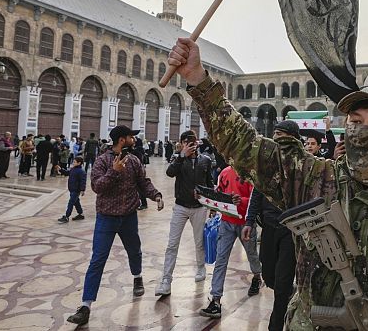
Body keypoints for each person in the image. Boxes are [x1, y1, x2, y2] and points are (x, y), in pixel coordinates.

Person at [169, 37, 368, 329]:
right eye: (356, 122)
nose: (364, 132)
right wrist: (199, 80)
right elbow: (244, 146)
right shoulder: (314, 179)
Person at [66, 125, 164, 326]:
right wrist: (114, 171)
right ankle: (86, 306)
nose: (134, 140)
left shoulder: (134, 160)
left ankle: (137, 276)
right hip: (107, 218)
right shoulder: (103, 161)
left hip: (128, 216)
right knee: (98, 259)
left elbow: (143, 182)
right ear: (121, 139)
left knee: (134, 250)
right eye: (130, 137)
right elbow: (97, 187)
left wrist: (156, 195)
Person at [155, 130, 214, 296]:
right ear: (181, 143)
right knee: (172, 243)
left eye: (193, 142)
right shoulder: (177, 159)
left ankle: (201, 268)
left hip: (199, 207)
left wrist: (210, 204)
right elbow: (169, 173)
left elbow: (210, 184)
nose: (191, 145)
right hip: (180, 207)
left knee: (199, 241)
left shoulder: (206, 160)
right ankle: (166, 280)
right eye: (187, 142)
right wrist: (182, 155)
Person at [199, 165, 262, 318]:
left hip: (245, 222)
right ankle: (216, 300)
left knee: (252, 254)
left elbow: (257, 199)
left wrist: (242, 200)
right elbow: (219, 193)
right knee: (221, 259)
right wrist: (208, 201)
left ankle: (257, 276)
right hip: (226, 222)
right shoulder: (225, 173)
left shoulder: (250, 174)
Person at [244, 182, 295, 331]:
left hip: (290, 230)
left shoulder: (295, 165)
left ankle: (275, 326)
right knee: (269, 277)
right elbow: (257, 193)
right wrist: (249, 221)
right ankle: (288, 292)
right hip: (269, 227)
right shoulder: (266, 167)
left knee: (282, 284)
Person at [59, 156, 87, 223]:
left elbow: (83, 181)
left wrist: (82, 190)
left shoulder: (81, 172)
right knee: (76, 202)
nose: (73, 163)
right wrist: (60, 169)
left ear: (79, 163)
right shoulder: (73, 169)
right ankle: (80, 214)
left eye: (74, 162)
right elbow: (67, 173)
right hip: (72, 189)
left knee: (71, 203)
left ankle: (67, 216)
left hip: (76, 190)